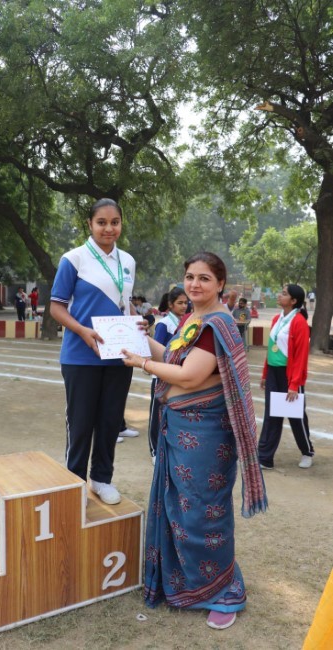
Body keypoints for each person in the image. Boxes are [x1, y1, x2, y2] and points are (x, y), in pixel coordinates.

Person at [121, 251, 267, 630]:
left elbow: (189, 376)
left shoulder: (217, 324)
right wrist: (143, 341)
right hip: (179, 428)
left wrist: (142, 364)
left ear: (220, 284)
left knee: (203, 510)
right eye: (189, 277)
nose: (194, 284)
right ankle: (184, 583)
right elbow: (173, 358)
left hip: (206, 434)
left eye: (204, 278)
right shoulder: (192, 319)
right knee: (179, 507)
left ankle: (224, 591)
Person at [50, 198, 135, 506]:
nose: (108, 228)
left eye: (115, 222)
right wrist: (83, 330)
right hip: (80, 356)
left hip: (118, 356)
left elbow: (124, 305)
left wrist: (137, 325)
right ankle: (75, 483)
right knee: (81, 423)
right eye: (101, 222)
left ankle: (102, 479)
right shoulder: (73, 259)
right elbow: (56, 307)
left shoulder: (128, 261)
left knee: (110, 421)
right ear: (90, 224)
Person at [258, 284, 314, 470]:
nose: (279, 295)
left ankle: (307, 452)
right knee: (271, 414)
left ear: (293, 301)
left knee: (295, 416)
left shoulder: (299, 322)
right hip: (273, 373)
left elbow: (301, 356)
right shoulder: (277, 319)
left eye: (283, 294)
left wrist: (294, 384)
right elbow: (271, 348)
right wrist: (265, 374)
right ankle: (265, 458)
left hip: (289, 375)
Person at [148, 287, 189, 463]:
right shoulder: (164, 324)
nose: (184, 306)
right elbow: (156, 347)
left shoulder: (187, 323)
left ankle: (169, 448)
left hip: (176, 375)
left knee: (173, 413)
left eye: (186, 303)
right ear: (171, 304)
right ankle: (154, 451)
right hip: (161, 375)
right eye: (180, 303)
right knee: (156, 414)